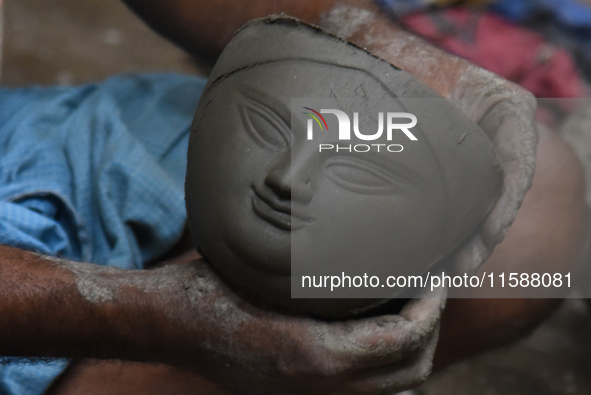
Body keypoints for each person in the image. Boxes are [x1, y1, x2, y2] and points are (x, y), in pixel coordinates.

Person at [0, 1, 585, 394]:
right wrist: (153, 322)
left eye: (357, 171)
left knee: (537, 208)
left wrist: (371, 40)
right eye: (267, 131)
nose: (287, 180)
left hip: (31, 137)